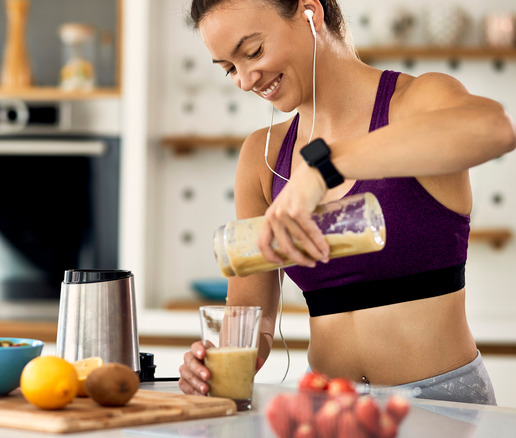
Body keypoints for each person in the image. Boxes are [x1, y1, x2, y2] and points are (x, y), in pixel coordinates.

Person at [179, 0, 516, 405]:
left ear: (310, 12)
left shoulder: (414, 102)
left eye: (253, 52)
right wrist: (222, 359)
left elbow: (496, 127)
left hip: (442, 403)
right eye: (230, 69)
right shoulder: (263, 156)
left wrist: (324, 168)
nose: (247, 80)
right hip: (325, 404)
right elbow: (253, 309)